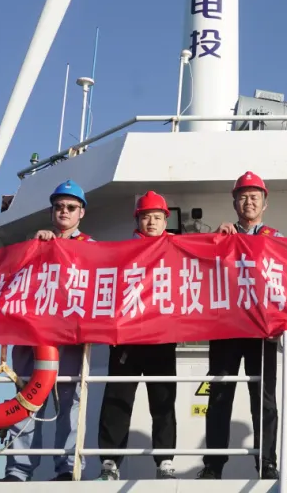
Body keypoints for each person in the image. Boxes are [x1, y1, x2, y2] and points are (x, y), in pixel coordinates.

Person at [0, 180, 90, 483]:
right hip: (32, 337)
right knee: (26, 399)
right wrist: (35, 246)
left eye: (71, 207)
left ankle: (67, 468)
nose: (64, 211)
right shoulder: (34, 244)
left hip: (69, 338)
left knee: (69, 403)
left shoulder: (92, 247)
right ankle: (17, 471)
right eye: (59, 206)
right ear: (52, 211)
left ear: (81, 213)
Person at [197, 172, 280, 480]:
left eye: (254, 197)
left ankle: (267, 462)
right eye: (243, 197)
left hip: (262, 331)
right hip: (226, 329)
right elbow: (197, 267)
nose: (249, 202)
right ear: (234, 203)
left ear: (265, 203)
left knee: (264, 399)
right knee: (219, 394)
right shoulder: (222, 236)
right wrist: (213, 239)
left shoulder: (277, 239)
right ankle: (213, 464)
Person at [97, 192, 179, 481]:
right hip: (127, 340)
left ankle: (165, 461)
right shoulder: (120, 252)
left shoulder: (178, 249)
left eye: (157, 217)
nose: (152, 222)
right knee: (117, 400)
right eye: (146, 217)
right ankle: (109, 461)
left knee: (164, 402)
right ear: (138, 221)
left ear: (166, 221)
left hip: (162, 338)